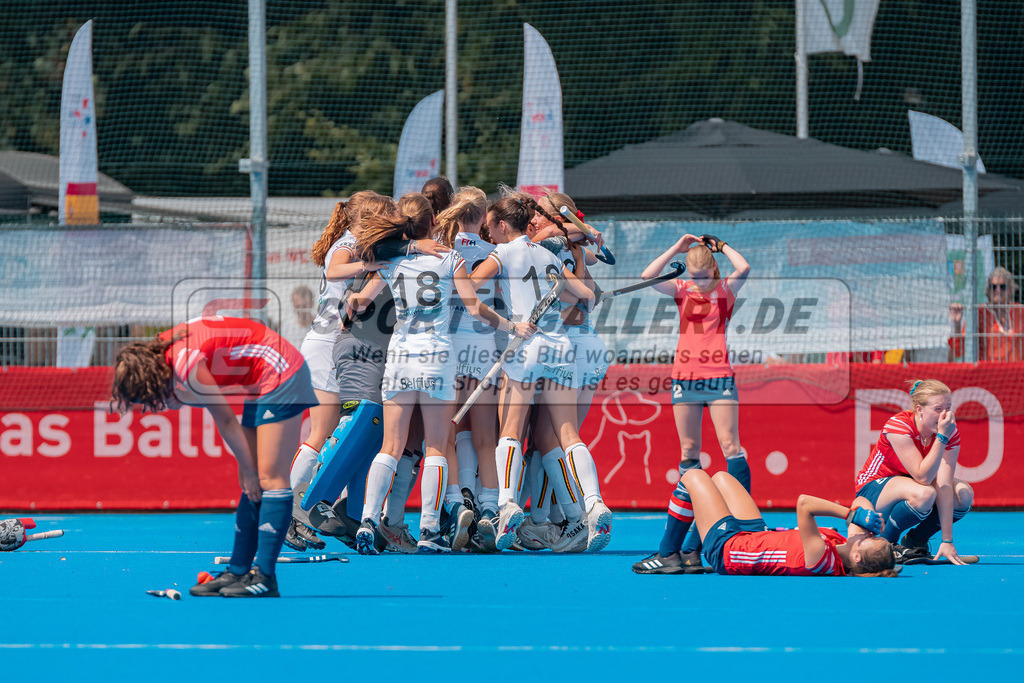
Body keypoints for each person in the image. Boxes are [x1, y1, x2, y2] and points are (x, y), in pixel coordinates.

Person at [348, 193, 534, 554]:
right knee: (436, 445)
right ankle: (430, 529)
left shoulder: (388, 260)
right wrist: (512, 326)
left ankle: (369, 520)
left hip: (401, 355)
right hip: (437, 357)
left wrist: (353, 300)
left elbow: (362, 293)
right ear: (433, 222)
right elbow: (475, 306)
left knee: (392, 444)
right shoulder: (450, 258)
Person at [111, 316, 317, 597]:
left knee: (268, 476)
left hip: (281, 372)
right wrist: (247, 471)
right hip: (261, 378)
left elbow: (227, 420)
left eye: (149, 396)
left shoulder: (186, 364)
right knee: (252, 479)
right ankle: (239, 570)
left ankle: (266, 578)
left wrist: (247, 470)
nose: (154, 404)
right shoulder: (163, 350)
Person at [468, 193, 596, 551]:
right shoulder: (548, 255)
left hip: (524, 345)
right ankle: (592, 505)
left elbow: (468, 287)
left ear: (503, 226)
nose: (488, 233)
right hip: (559, 348)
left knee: (511, 429)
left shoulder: (503, 253)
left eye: (490, 226)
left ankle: (508, 506)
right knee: (566, 433)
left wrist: (506, 322)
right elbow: (585, 295)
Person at [634, 233, 751, 573]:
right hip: (685, 378)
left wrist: (723, 246)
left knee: (731, 447)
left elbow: (744, 267)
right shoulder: (683, 290)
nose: (697, 284)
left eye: (702, 277)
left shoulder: (725, 290)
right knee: (689, 454)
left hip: (719, 379)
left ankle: (717, 533)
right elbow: (646, 277)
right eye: (693, 277)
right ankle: (685, 550)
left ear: (713, 270)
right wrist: (677, 248)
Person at [633, 470, 897, 577]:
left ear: (857, 557)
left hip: (728, 551)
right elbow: (863, 501)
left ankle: (667, 554)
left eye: (867, 538)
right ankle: (690, 555)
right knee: (723, 477)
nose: (865, 533)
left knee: (693, 476)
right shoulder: (844, 547)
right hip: (754, 535)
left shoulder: (823, 559)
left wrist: (851, 515)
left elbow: (804, 503)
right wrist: (871, 519)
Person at [853, 379, 973, 564]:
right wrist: (941, 437)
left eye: (948, 408)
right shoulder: (899, 426)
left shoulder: (950, 432)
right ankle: (887, 543)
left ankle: (915, 541)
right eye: (938, 409)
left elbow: (944, 485)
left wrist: (947, 540)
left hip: (910, 485)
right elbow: (923, 476)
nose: (945, 415)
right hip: (874, 489)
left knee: (963, 495)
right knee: (925, 493)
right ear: (919, 409)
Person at [950, 266, 1024, 362]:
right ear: (988, 290)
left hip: (1017, 373)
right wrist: (957, 324)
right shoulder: (979, 312)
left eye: (1002, 287)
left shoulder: (1020, 311)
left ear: (1010, 289)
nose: (997, 290)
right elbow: (959, 351)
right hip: (988, 373)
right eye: (993, 287)